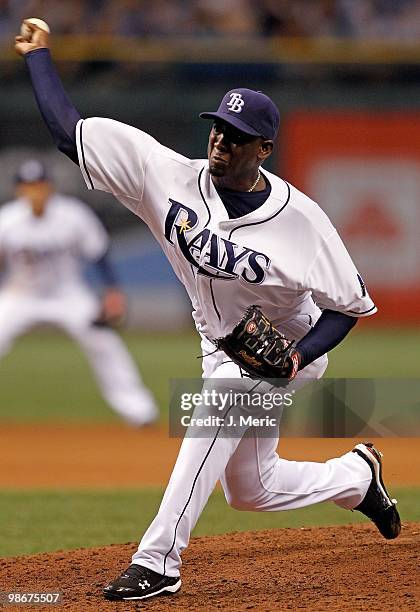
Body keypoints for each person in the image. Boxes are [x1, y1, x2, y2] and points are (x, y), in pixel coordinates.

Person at [15, 22, 400, 603]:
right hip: (216, 337)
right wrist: (40, 57)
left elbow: (346, 308)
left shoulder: (304, 222)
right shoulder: (164, 176)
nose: (221, 141)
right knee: (252, 488)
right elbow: (71, 134)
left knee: (216, 410)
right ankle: (355, 477)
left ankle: (159, 560)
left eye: (237, 136)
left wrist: (297, 357)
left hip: (283, 344)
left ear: (263, 149)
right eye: (218, 128)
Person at [0, 157, 158, 427]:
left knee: (103, 341)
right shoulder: (8, 220)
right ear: (19, 190)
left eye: (39, 184)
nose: (34, 191)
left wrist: (113, 292)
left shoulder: (73, 214)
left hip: (67, 294)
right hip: (20, 294)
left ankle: (139, 411)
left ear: (50, 187)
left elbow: (98, 254)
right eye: (28, 186)